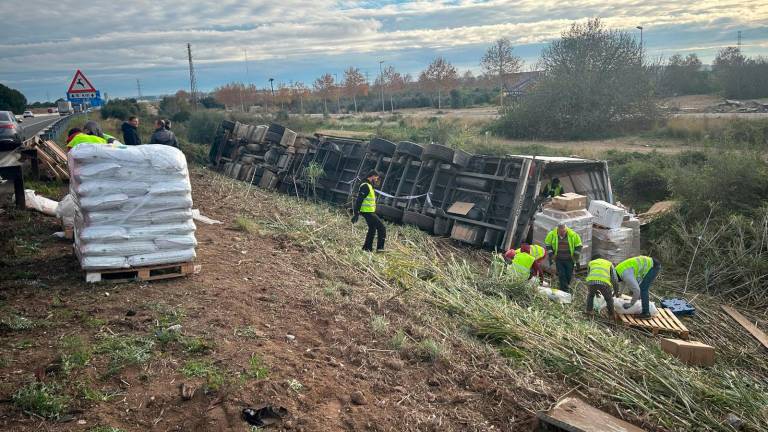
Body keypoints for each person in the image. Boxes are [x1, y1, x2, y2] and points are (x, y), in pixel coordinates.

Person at [351, 170, 386, 252]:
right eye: (376, 178)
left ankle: (367, 248)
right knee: (382, 228)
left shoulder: (369, 186)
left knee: (372, 229)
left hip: (369, 211)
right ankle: (380, 249)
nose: (376, 180)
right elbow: (359, 200)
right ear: (372, 176)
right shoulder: (365, 186)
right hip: (366, 212)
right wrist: (356, 214)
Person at [544, 222, 582, 292]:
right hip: (559, 259)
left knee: (568, 275)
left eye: (564, 231)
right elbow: (548, 244)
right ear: (557, 230)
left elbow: (579, 245)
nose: (563, 233)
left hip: (569, 259)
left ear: (566, 229)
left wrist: (576, 257)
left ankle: (565, 286)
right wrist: (551, 254)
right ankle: (564, 290)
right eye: (561, 232)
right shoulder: (552, 234)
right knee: (562, 274)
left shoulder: (573, 235)